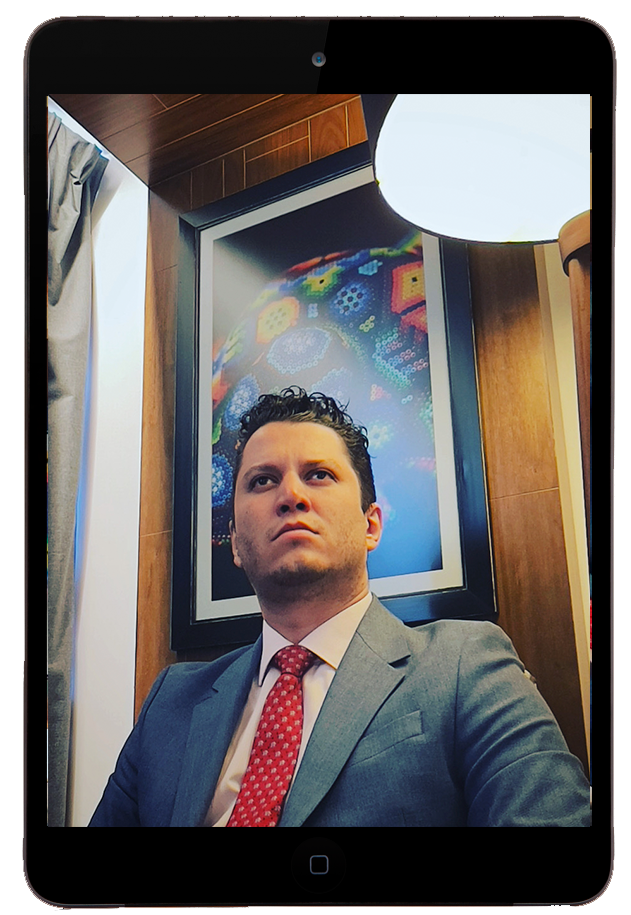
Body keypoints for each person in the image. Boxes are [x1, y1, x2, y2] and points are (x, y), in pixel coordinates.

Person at [89, 387, 591, 827]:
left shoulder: (465, 664)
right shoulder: (171, 701)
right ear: (236, 543)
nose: (290, 495)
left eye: (318, 475)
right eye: (262, 481)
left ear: (371, 525)